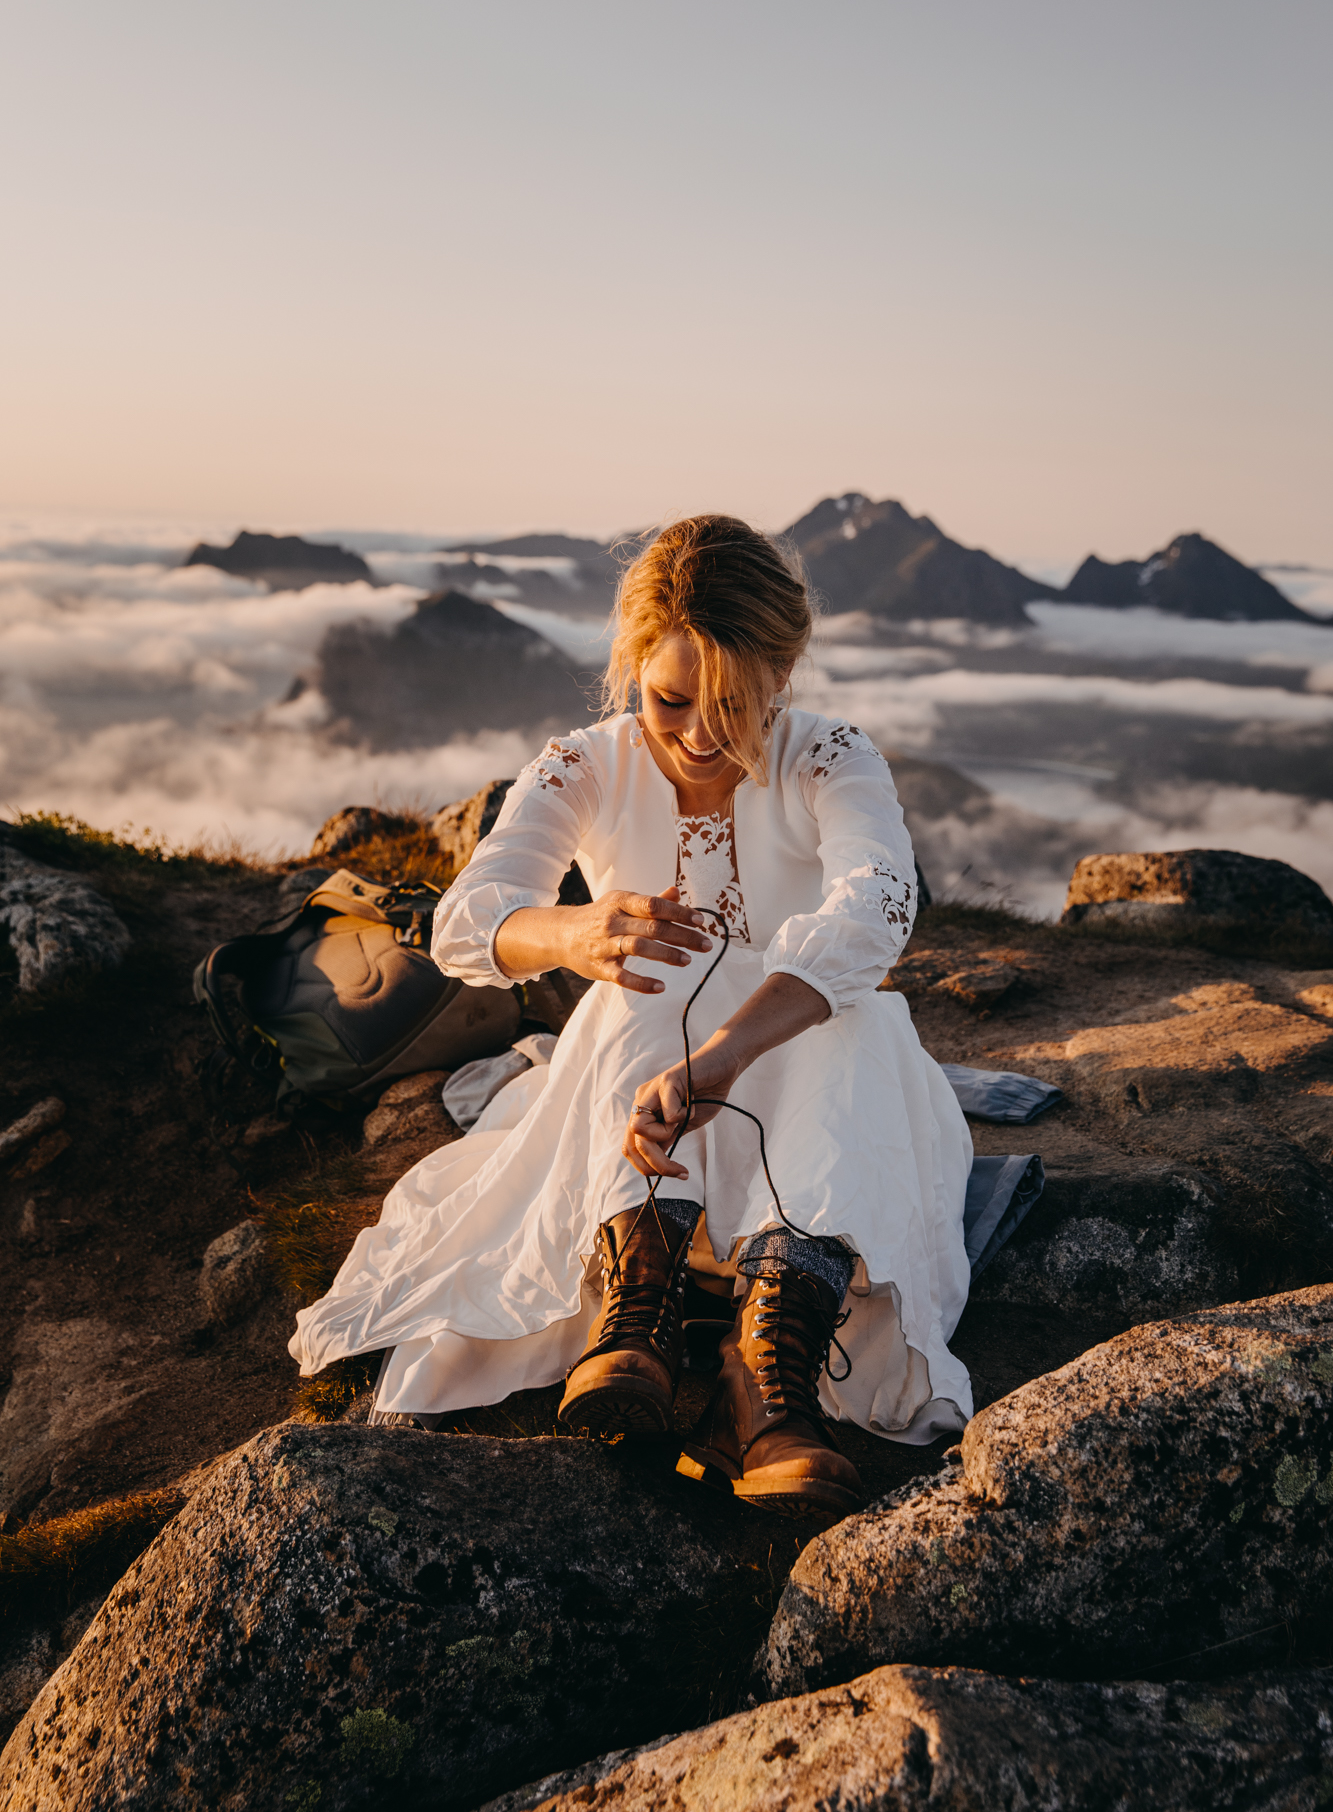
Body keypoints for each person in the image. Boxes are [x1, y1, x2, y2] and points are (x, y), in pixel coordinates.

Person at [290, 515, 974, 1515]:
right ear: (632, 668)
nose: (700, 732)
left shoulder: (829, 756)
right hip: (641, 1084)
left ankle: (770, 1358)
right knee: (643, 971)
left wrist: (729, 1055)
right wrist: (573, 934)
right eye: (669, 697)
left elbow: (876, 903)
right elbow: (466, 922)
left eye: (737, 702)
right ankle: (636, 1300)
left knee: (854, 1010)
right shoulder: (588, 761)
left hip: (808, 1070)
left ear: (784, 674)